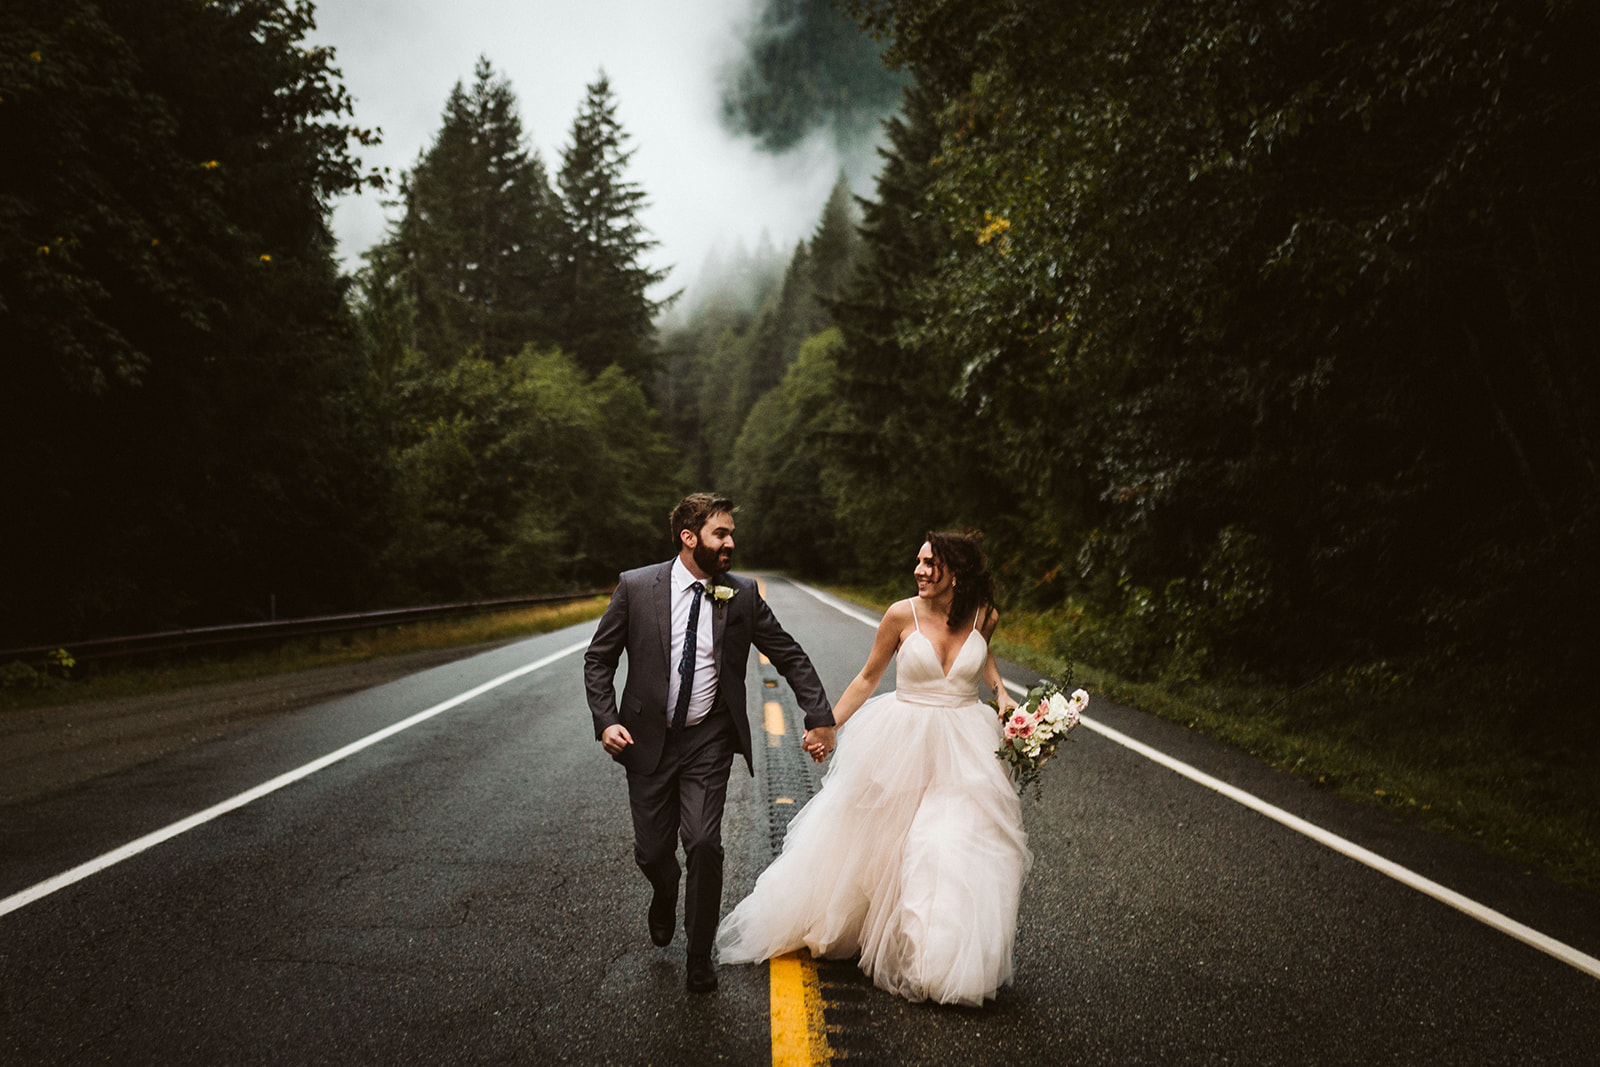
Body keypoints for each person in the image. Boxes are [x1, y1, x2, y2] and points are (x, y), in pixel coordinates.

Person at [715, 530, 1032, 1007]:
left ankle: (937, 962)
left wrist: (1005, 697)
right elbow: (868, 677)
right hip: (903, 737)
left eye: (930, 564)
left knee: (948, 845)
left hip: (967, 744)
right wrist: (827, 725)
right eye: (918, 562)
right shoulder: (901, 614)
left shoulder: (984, 616)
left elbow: (984, 661)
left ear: (957, 572)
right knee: (885, 845)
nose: (919, 571)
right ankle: (865, 927)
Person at [584, 493, 835, 993]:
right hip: (646, 740)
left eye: (731, 534)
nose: (731, 543)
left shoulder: (740, 594)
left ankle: (699, 957)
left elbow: (788, 654)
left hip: (709, 739)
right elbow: (599, 659)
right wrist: (606, 719)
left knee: (702, 842)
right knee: (653, 852)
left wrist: (819, 715)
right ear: (689, 537)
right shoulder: (636, 587)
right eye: (721, 534)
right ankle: (664, 889)